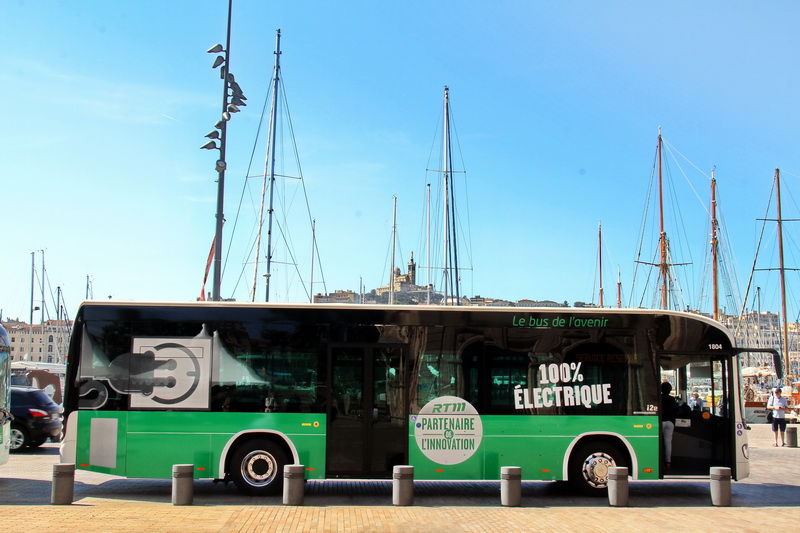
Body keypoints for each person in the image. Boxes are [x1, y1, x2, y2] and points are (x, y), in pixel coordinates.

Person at [661, 381, 678, 468]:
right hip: (670, 422)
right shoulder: (672, 399)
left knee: (658, 442)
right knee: (668, 443)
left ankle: (659, 459)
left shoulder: (659, 398)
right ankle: (668, 462)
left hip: (660, 422)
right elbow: (676, 410)